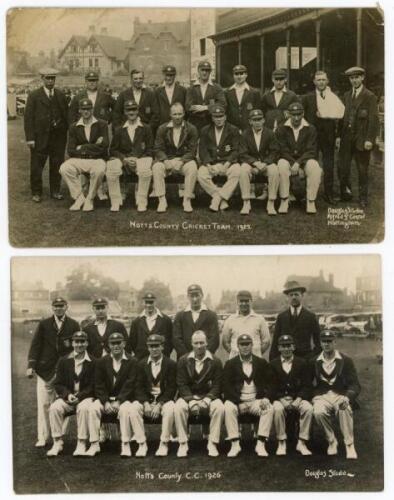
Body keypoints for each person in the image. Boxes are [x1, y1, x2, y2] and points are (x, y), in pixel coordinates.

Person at [26, 297, 80, 447]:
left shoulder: (74, 324)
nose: (58, 308)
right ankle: (43, 436)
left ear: (66, 306)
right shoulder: (44, 324)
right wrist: (31, 365)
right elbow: (35, 345)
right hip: (45, 370)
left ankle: (60, 435)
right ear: (52, 308)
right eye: (56, 306)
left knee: (64, 401)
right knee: (44, 403)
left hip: (65, 370)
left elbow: (77, 346)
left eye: (61, 305)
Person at [124, 334, 177, 457]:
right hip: (147, 400)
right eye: (151, 346)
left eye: (156, 346)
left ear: (162, 347)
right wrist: (146, 403)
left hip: (163, 400)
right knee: (133, 408)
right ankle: (142, 443)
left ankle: (164, 443)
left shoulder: (170, 364)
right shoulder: (141, 364)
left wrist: (159, 404)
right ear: (147, 348)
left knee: (170, 409)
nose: (154, 349)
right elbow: (138, 387)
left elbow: (171, 388)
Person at [86, 332, 138, 457]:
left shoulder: (132, 361)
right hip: (107, 399)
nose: (116, 346)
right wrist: (105, 402)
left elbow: (130, 384)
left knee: (125, 410)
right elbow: (99, 385)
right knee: (93, 408)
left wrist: (119, 401)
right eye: (113, 343)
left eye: (119, 343)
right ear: (109, 345)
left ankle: (125, 444)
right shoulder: (101, 362)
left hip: (124, 399)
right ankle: (94, 444)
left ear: (124, 344)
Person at [312, 330, 361, 459]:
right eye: (324, 341)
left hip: (341, 395)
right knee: (318, 412)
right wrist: (314, 396)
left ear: (335, 342)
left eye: (329, 341)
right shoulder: (314, 361)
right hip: (323, 396)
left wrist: (347, 397)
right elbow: (308, 384)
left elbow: (355, 384)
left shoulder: (345, 360)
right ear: (320, 343)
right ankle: (332, 440)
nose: (327, 344)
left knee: (343, 407)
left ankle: (349, 445)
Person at [223, 334, 274, 458]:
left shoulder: (261, 362)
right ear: (238, 346)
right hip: (238, 401)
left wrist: (266, 398)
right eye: (242, 344)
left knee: (269, 408)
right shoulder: (230, 363)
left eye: (247, 344)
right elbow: (226, 387)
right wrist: (238, 402)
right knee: (228, 407)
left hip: (256, 400)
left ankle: (261, 443)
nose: (245, 347)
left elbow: (271, 382)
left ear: (252, 345)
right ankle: (235, 443)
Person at [174, 331, 224, 457]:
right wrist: (191, 400)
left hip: (208, 396)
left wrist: (207, 399)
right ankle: (183, 443)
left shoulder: (216, 361)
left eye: (202, 342)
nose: (199, 346)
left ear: (207, 343)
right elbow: (181, 384)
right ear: (191, 344)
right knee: (179, 407)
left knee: (219, 407)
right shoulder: (183, 360)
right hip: (188, 397)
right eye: (196, 343)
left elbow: (218, 385)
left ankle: (212, 442)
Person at [46, 331, 95, 457]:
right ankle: (57, 442)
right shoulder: (63, 361)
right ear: (72, 343)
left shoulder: (94, 361)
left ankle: (82, 442)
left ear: (87, 343)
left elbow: (93, 386)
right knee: (54, 408)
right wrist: (68, 395)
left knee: (84, 408)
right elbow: (58, 384)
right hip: (68, 398)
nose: (79, 345)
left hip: (85, 398)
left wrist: (79, 397)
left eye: (82, 341)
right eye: (77, 342)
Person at [24, 68, 68, 202]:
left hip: (57, 138)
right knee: (37, 166)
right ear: (42, 79)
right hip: (40, 138)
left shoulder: (60, 95)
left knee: (56, 165)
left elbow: (66, 116)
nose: (50, 81)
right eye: (47, 78)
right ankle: (36, 192)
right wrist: (30, 138)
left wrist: (63, 129)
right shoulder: (34, 96)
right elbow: (28, 119)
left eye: (52, 78)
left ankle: (55, 191)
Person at [338, 66, 379, 208]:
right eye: (351, 78)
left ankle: (363, 198)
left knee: (362, 169)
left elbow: (374, 121)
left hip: (362, 139)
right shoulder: (347, 95)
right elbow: (342, 118)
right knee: (343, 168)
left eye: (356, 77)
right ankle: (345, 193)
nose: (354, 80)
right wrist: (339, 136)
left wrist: (369, 139)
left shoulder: (370, 96)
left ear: (362, 78)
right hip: (346, 138)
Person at [302, 71, 345, 204]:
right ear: (314, 82)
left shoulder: (333, 97)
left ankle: (329, 194)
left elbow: (341, 116)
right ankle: (309, 195)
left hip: (328, 136)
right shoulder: (307, 98)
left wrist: (337, 136)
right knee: (311, 165)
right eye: (318, 80)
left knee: (328, 166)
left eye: (323, 80)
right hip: (312, 137)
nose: (321, 82)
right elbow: (302, 118)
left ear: (327, 81)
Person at [59, 98, 108, 212]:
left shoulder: (102, 124)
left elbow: (104, 147)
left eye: (88, 109)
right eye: (83, 109)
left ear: (92, 109)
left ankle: (90, 199)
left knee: (99, 170)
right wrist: (93, 146)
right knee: (64, 168)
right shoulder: (74, 126)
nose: (86, 112)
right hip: (80, 159)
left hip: (97, 159)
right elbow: (71, 150)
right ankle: (79, 197)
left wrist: (82, 147)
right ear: (79, 111)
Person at [106, 100, 153, 212]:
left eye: (134, 110)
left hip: (140, 159)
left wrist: (137, 158)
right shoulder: (119, 129)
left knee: (145, 169)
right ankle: (116, 201)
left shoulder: (146, 128)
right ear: (125, 112)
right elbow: (113, 150)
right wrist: (124, 159)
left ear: (138, 111)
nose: (131, 113)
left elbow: (150, 149)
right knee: (112, 168)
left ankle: (141, 201)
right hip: (125, 160)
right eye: (128, 110)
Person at [270, 335, 313, 456]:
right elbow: (272, 387)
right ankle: (281, 441)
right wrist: (281, 399)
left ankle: (302, 442)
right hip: (280, 398)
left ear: (293, 347)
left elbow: (307, 385)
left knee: (308, 408)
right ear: (279, 348)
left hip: (297, 398)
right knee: (277, 409)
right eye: (283, 346)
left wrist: (298, 399)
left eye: (289, 345)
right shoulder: (273, 364)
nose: (286, 348)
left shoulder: (302, 363)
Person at [276, 102, 322, 214]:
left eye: (299, 114)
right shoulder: (281, 128)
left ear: (303, 114)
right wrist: (293, 163)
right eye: (293, 115)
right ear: (288, 114)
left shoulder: (311, 129)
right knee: (281, 164)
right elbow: (282, 150)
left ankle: (310, 201)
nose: (296, 118)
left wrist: (299, 163)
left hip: (304, 160)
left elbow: (311, 150)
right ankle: (284, 199)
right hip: (288, 159)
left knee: (315, 167)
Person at [152, 102, 199, 213]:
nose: (177, 117)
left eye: (180, 114)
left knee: (192, 167)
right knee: (157, 167)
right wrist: (165, 160)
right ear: (170, 115)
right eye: (175, 114)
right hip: (167, 160)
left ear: (184, 114)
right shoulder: (162, 128)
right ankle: (162, 200)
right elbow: (158, 149)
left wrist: (182, 161)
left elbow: (192, 151)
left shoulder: (191, 129)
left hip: (184, 161)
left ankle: (187, 200)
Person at [197, 104, 241, 212]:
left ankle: (217, 199)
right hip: (212, 163)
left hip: (227, 163)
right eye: (216, 117)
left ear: (225, 117)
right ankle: (219, 197)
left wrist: (227, 164)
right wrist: (208, 164)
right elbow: (203, 150)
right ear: (212, 118)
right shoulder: (205, 130)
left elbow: (236, 150)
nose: (219, 119)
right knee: (201, 174)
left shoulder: (233, 130)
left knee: (237, 171)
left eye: (221, 116)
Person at [239, 109, 281, 215]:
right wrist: (254, 163)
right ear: (250, 121)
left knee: (274, 170)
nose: (257, 122)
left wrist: (265, 163)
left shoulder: (270, 133)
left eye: (259, 119)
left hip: (266, 164)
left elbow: (274, 151)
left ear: (263, 120)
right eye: (254, 120)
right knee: (243, 170)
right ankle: (246, 202)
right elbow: (242, 153)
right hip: (251, 165)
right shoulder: (245, 134)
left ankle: (271, 202)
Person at [270, 280, 321, 361]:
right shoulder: (281, 317)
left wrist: (311, 357)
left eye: (296, 294)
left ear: (302, 296)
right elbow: (275, 341)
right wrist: (273, 361)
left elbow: (319, 342)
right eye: (291, 295)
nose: (293, 297)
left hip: (305, 361)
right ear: (288, 297)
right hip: (285, 360)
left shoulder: (311, 317)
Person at [173, 284, 219, 358]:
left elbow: (214, 339)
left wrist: (203, 355)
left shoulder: (211, 315)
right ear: (188, 297)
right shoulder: (180, 316)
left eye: (197, 295)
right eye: (192, 296)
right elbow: (176, 339)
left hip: (205, 358)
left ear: (202, 296)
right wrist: (187, 356)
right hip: (185, 359)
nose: (195, 299)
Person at [222, 290, 271, 359]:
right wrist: (235, 353)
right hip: (236, 361)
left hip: (255, 360)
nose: (244, 303)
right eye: (241, 301)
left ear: (251, 302)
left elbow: (266, 341)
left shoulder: (260, 319)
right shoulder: (230, 320)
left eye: (246, 301)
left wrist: (256, 354)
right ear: (237, 302)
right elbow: (225, 342)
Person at [126, 292, 173, 360]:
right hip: (141, 360)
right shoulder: (136, 322)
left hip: (161, 360)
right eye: (146, 302)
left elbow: (170, 341)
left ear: (155, 302)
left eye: (151, 302)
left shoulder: (166, 320)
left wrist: (164, 353)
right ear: (143, 303)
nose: (148, 305)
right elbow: (133, 342)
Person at [185, 60, 226, 133]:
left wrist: (205, 108)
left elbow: (222, 104)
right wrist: (212, 107)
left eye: (207, 70)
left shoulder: (216, 87)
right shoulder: (191, 88)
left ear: (210, 72)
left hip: (211, 124)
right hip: (195, 124)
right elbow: (188, 106)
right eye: (202, 70)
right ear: (198, 71)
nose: (204, 72)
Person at [224, 64, 262, 131]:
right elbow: (226, 111)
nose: (239, 76)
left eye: (241, 73)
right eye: (236, 74)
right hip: (231, 129)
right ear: (233, 76)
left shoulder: (254, 92)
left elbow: (258, 111)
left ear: (246, 75)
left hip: (249, 129)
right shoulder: (227, 92)